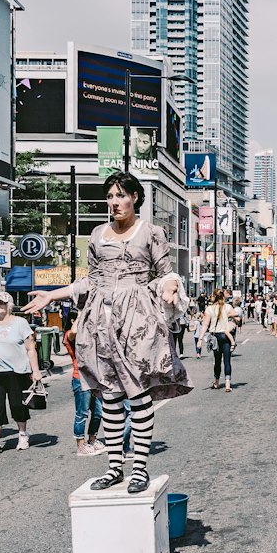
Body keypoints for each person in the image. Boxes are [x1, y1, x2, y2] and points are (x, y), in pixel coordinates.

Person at [23, 171, 190, 495]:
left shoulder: (151, 232)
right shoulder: (98, 234)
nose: (114, 202)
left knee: (138, 396)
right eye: (110, 196)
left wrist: (170, 290)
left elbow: (167, 273)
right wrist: (52, 294)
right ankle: (115, 468)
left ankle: (138, 468)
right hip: (101, 323)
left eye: (120, 195)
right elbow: (90, 281)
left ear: (135, 198)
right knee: (110, 397)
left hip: (137, 320)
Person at [0, 292, 42, 456]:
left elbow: (30, 348)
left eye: (2, 303)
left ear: (9, 305)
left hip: (16, 371)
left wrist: (36, 370)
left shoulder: (20, 323)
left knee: (17, 404)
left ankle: (22, 435)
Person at [63, 316, 105, 456]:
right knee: (82, 412)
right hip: (80, 379)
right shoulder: (70, 335)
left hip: (96, 379)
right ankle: (80, 445)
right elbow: (74, 332)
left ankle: (92, 440)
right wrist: (81, 315)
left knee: (98, 412)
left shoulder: (91, 336)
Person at [198, 289, 237, 390]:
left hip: (215, 336)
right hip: (225, 335)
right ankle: (228, 384)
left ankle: (216, 382)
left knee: (217, 360)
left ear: (213, 297)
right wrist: (228, 316)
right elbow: (236, 315)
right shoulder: (227, 307)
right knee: (227, 360)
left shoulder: (209, 309)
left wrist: (200, 339)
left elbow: (205, 325)